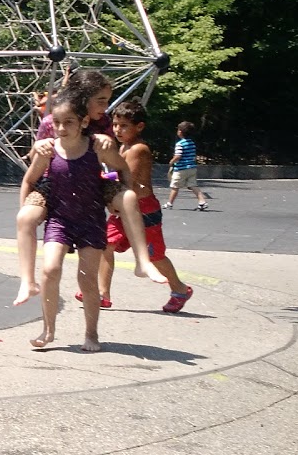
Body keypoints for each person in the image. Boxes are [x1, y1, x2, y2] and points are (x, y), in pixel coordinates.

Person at [12, 69, 166, 306]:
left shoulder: (103, 123)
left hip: (91, 180)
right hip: (53, 181)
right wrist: (41, 145)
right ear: (83, 98)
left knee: (128, 198)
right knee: (25, 217)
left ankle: (143, 261)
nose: (106, 106)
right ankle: (27, 281)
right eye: (101, 100)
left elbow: (115, 162)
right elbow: (33, 158)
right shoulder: (52, 120)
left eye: (107, 100)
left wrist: (119, 189)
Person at [19, 93, 133, 353]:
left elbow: (122, 168)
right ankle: (48, 330)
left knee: (88, 280)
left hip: (90, 218)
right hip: (59, 218)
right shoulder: (48, 150)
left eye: (68, 122)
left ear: (83, 122)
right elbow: (29, 179)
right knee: (49, 270)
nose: (61, 128)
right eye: (57, 122)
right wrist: (28, 212)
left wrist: (120, 194)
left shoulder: (97, 147)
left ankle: (91, 333)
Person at [98, 98, 193, 312]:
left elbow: (126, 177)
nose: (118, 130)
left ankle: (179, 288)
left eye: (124, 126)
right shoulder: (123, 147)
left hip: (144, 210)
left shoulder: (137, 149)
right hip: (124, 207)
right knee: (105, 244)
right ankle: (103, 293)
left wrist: (101, 176)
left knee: (154, 255)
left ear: (139, 127)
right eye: (115, 125)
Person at [166, 120, 209, 210]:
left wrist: (171, 162)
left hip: (181, 169)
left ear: (180, 132)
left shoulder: (179, 144)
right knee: (193, 185)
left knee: (175, 186)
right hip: (192, 168)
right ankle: (202, 201)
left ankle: (169, 203)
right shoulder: (191, 143)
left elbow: (178, 156)